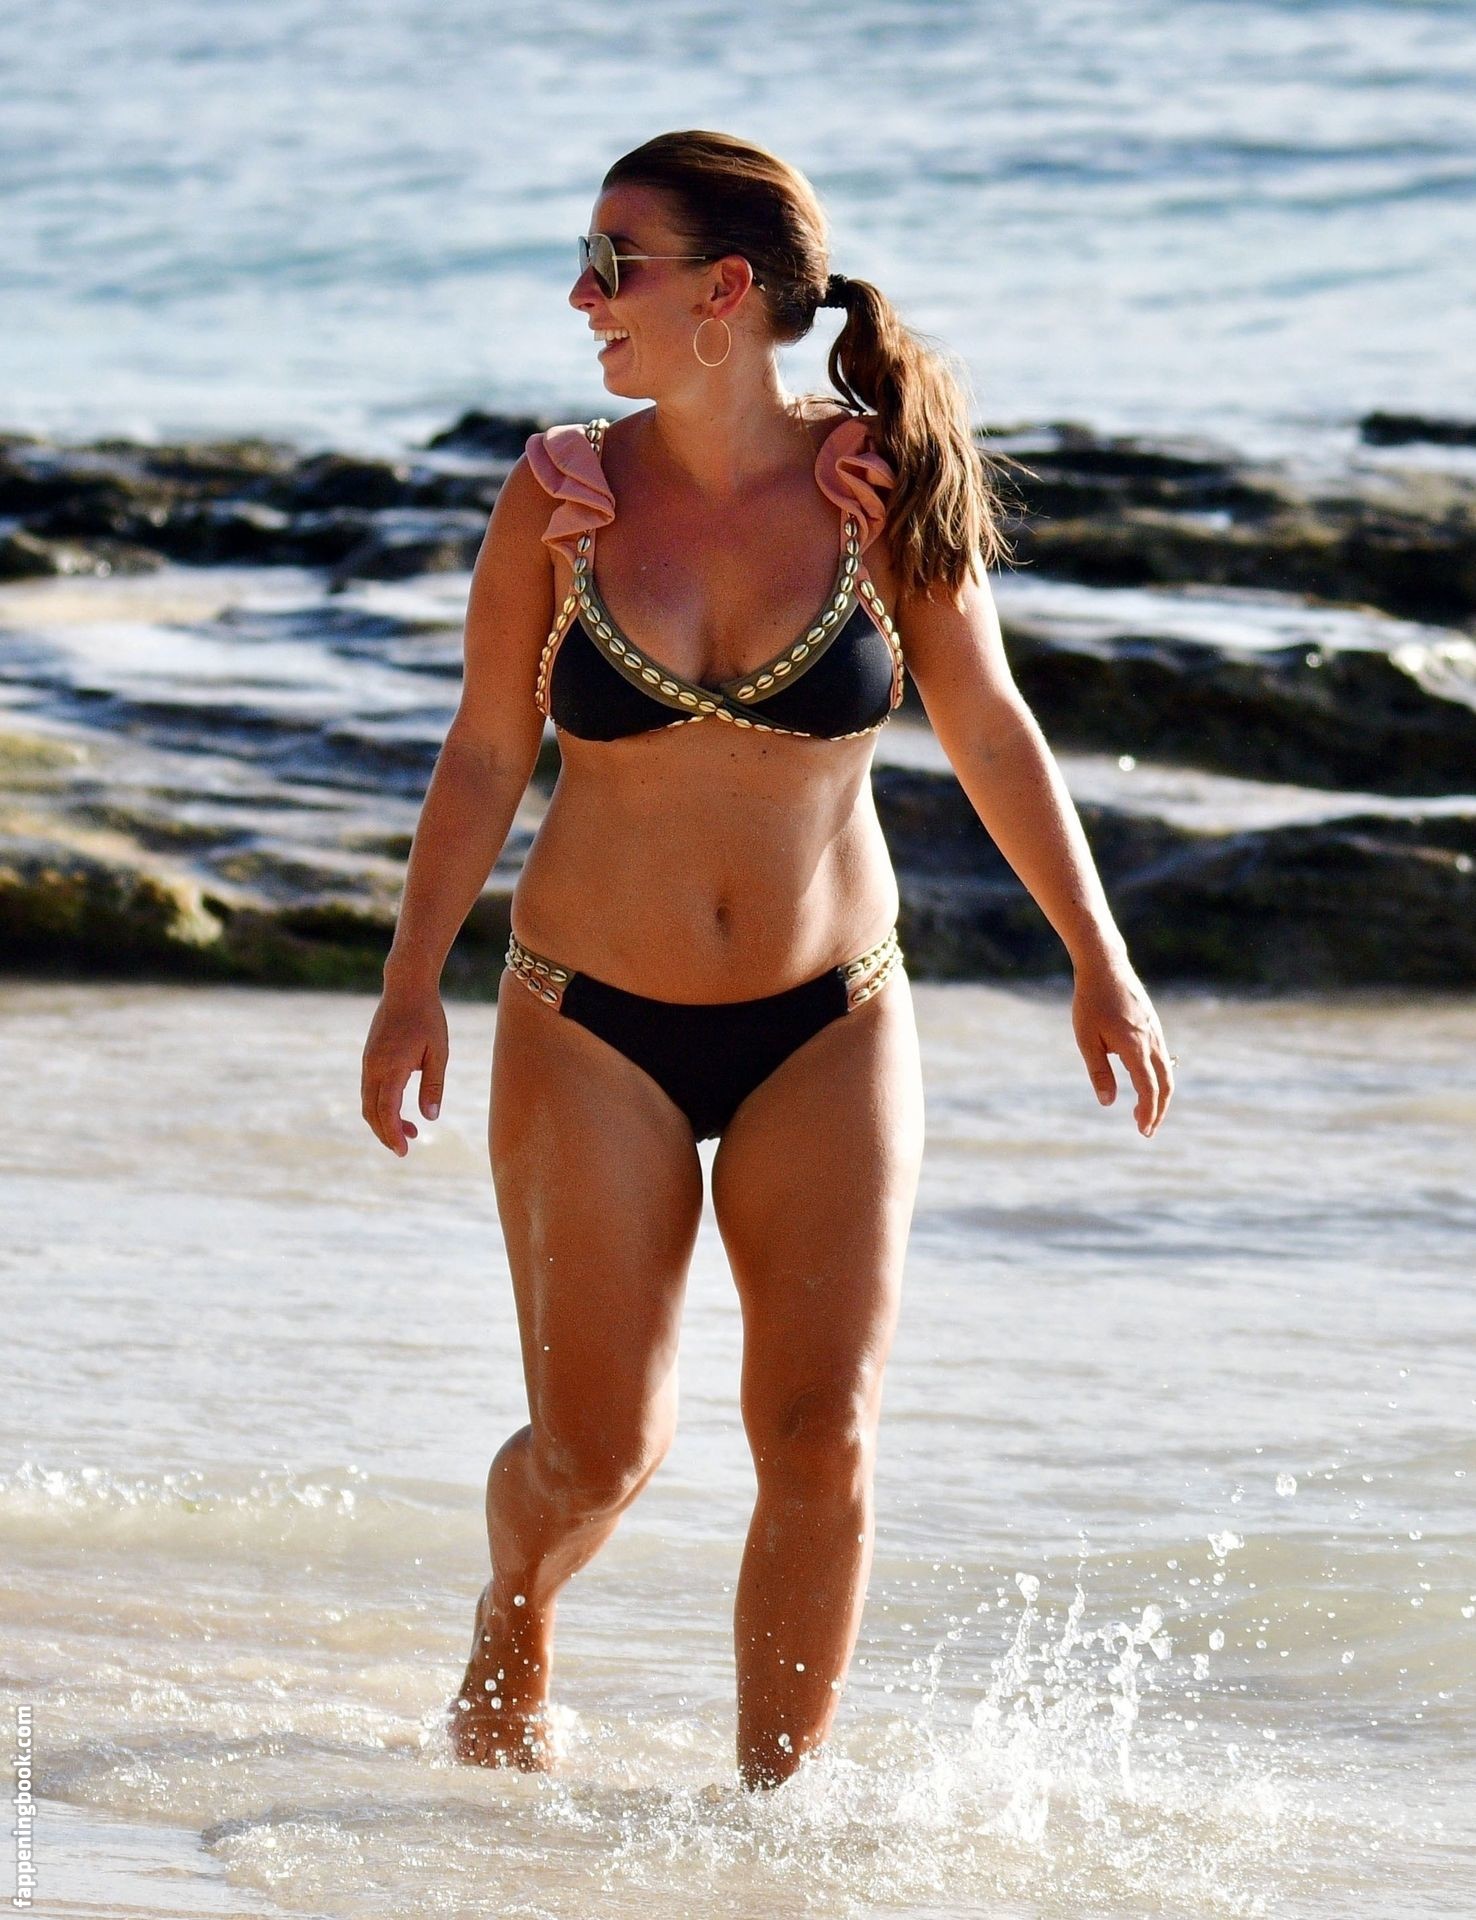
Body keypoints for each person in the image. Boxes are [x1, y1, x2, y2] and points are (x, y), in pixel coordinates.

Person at [360, 129, 1175, 1793]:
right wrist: (406, 985)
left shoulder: (877, 490)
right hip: (588, 1021)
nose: (581, 295)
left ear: (725, 292)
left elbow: (992, 727)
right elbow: (483, 751)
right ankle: (516, 1604)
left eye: (615, 264)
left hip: (831, 1019)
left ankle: (772, 1836)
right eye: (586, 262)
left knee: (822, 1438)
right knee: (597, 1455)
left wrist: (1101, 959)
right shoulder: (560, 496)